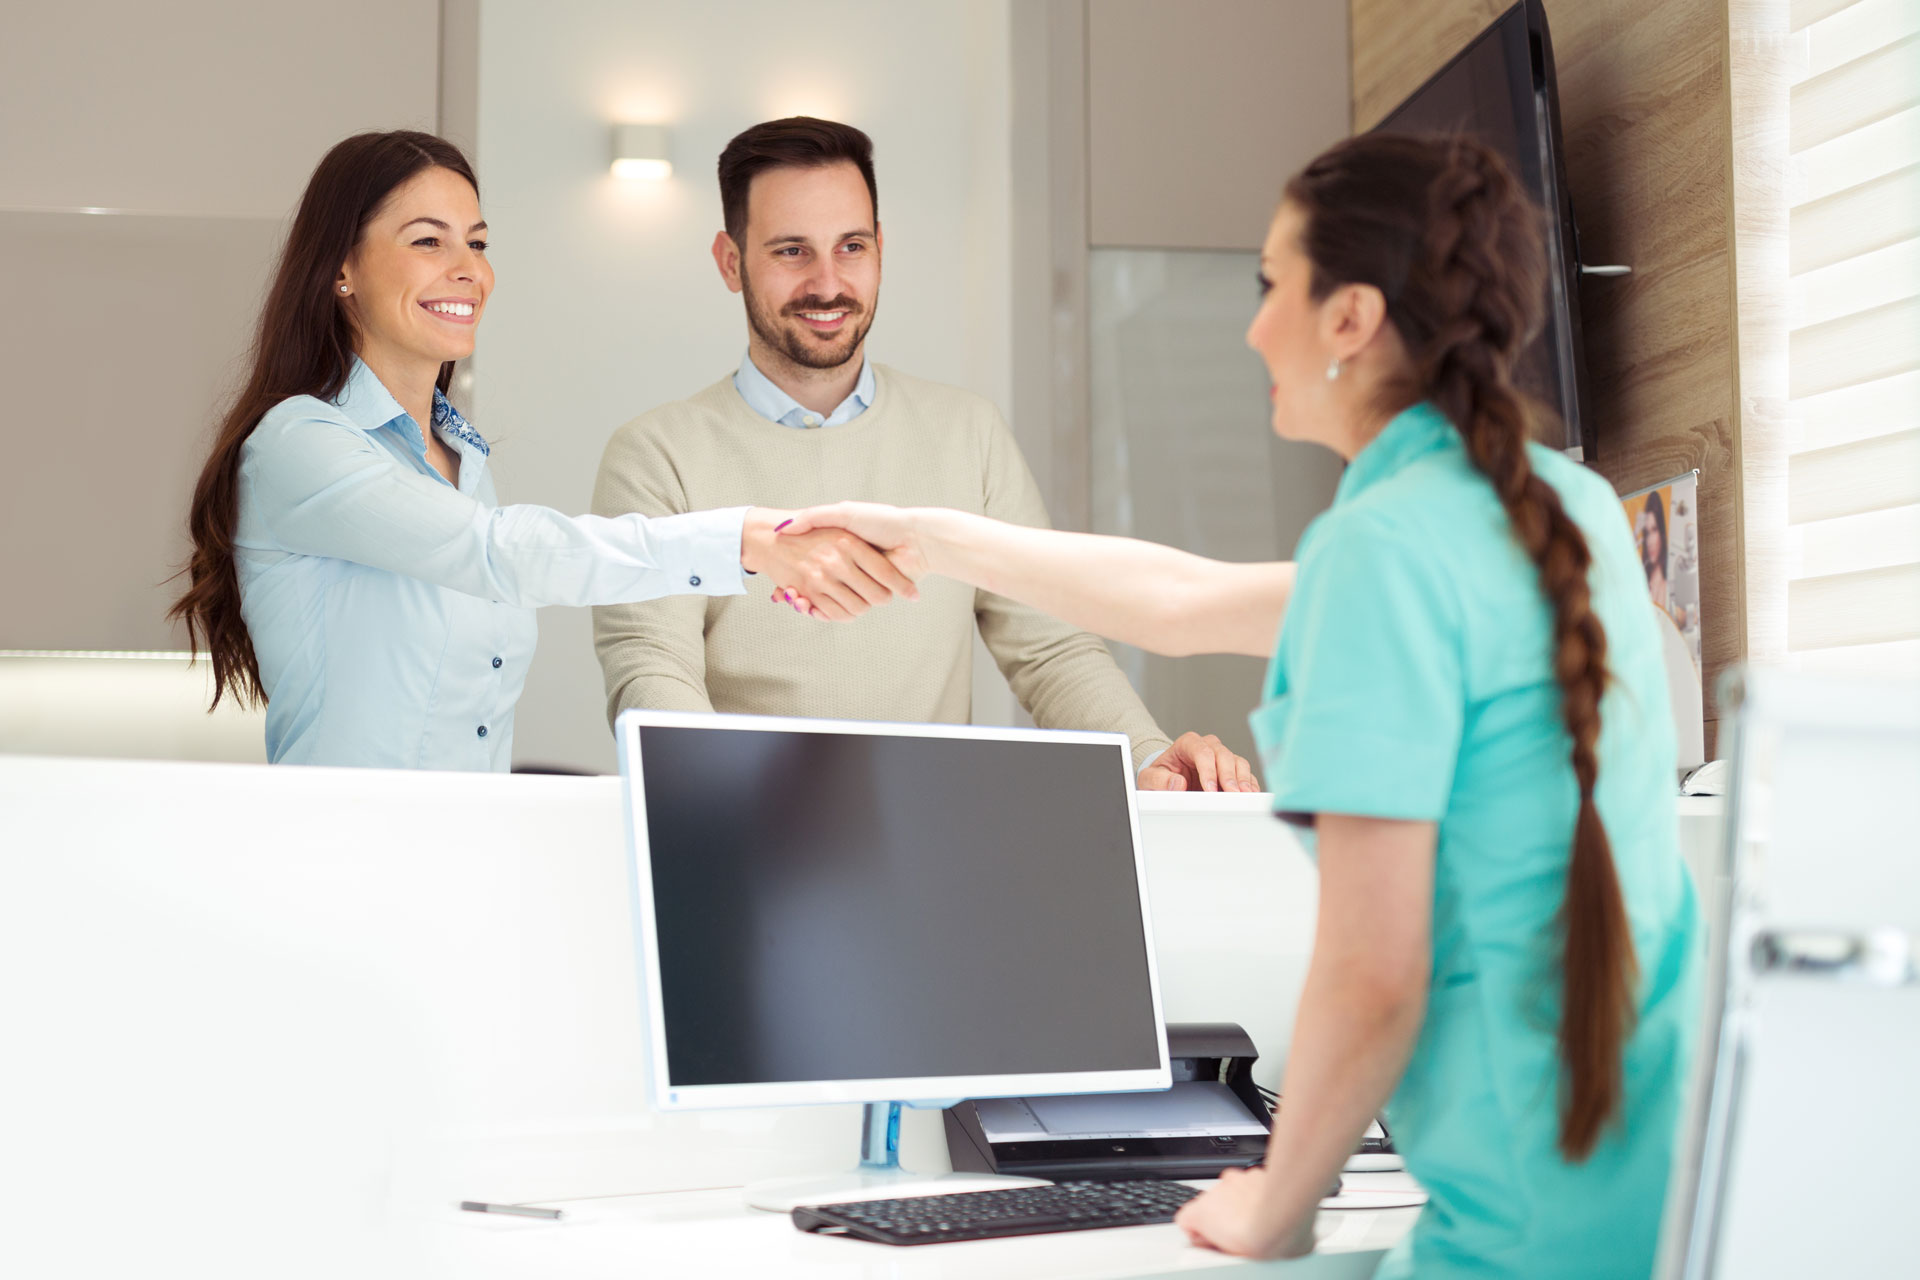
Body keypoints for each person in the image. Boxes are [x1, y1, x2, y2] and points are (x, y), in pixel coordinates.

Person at [781, 133, 1701, 1277]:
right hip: (1659, 1189)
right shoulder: (1563, 511)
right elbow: (1180, 599)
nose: (1254, 323)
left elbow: (1374, 968)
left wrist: (1277, 1202)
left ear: (1351, 317)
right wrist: (932, 535)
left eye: (1272, 286)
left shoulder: (1386, 546)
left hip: (1519, 1222)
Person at [169, 131, 908, 770]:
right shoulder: (300, 443)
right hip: (346, 865)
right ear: (342, 269)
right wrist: (742, 539)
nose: (469, 269)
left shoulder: (462, 458)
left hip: (468, 869)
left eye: (478, 242)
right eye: (428, 240)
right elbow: (499, 551)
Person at [590, 117, 1255, 792]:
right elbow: (652, 670)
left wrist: (1147, 759)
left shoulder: (969, 433)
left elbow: (1051, 647)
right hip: (743, 844)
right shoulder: (656, 455)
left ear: (881, 248)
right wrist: (726, 812)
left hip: (932, 849)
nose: (828, 283)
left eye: (851, 246)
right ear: (731, 262)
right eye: (792, 251)